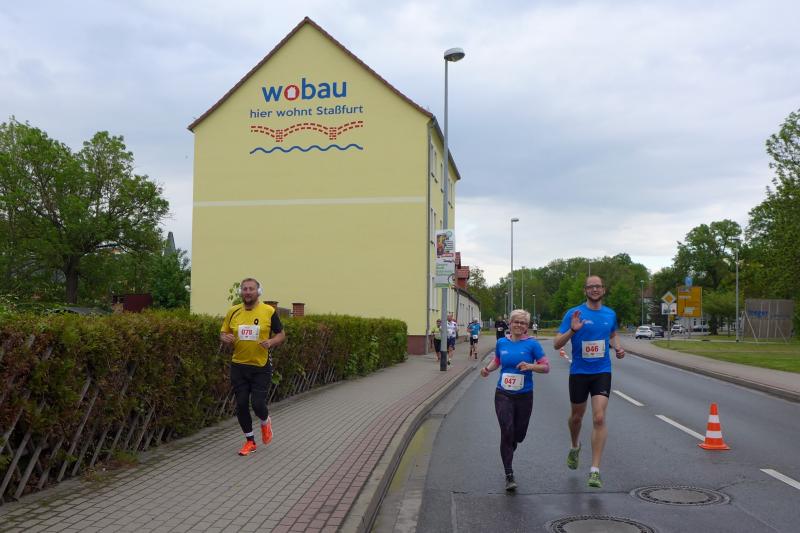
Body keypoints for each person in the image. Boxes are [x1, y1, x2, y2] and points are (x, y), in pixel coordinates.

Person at [553, 275, 625, 488]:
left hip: (602, 371)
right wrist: (572, 330)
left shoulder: (610, 314)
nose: (595, 289)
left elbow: (612, 334)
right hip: (579, 372)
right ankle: (575, 445)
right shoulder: (574, 314)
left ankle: (595, 470)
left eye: (598, 286)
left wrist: (618, 347)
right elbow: (556, 344)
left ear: (604, 289)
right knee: (576, 418)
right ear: (585, 290)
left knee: (599, 417)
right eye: (591, 287)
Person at [481, 309, 549, 491]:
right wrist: (487, 369)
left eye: (523, 323)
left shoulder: (532, 344)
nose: (519, 325)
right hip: (503, 393)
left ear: (527, 326)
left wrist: (531, 366)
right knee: (506, 430)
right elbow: (497, 361)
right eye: (516, 322)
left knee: (519, 435)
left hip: (524, 395)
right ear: (509, 324)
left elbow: (546, 367)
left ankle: (512, 443)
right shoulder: (501, 342)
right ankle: (509, 473)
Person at [220, 278, 286, 456]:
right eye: (245, 289)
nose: (248, 292)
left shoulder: (268, 311)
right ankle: (250, 441)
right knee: (241, 404)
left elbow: (281, 334)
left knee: (257, 404)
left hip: (260, 366)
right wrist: (225, 337)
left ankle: (265, 421)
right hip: (239, 365)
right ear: (241, 292)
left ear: (258, 292)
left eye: (251, 289)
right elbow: (223, 332)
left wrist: (271, 342)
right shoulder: (233, 311)